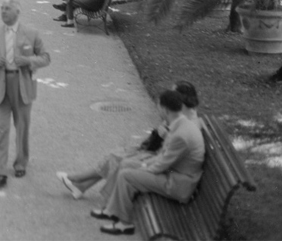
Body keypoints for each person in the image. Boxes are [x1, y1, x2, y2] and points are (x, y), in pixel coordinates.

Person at [56, 81, 200, 201]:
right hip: (156, 153)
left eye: (173, 93)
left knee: (117, 159)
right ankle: (80, 186)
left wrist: (164, 135)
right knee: (115, 156)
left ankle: (79, 181)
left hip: (161, 160)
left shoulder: (187, 121)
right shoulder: (183, 113)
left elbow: (171, 150)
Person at [91, 90, 205, 236]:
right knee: (126, 163)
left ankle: (124, 224)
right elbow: (163, 156)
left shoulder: (181, 135)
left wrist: (143, 167)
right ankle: (112, 210)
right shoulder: (181, 124)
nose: (158, 110)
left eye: (159, 107)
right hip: (173, 171)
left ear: (164, 109)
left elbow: (161, 165)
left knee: (127, 175)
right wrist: (143, 164)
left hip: (177, 183)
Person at [0, 0, 51, 187]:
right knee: (2, 129)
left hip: (22, 85)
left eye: (7, 9)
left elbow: (46, 57)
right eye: (1, 9)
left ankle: (20, 163)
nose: (3, 11)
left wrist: (28, 61)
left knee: (22, 128)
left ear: (18, 12)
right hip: (0, 85)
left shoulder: (31, 33)